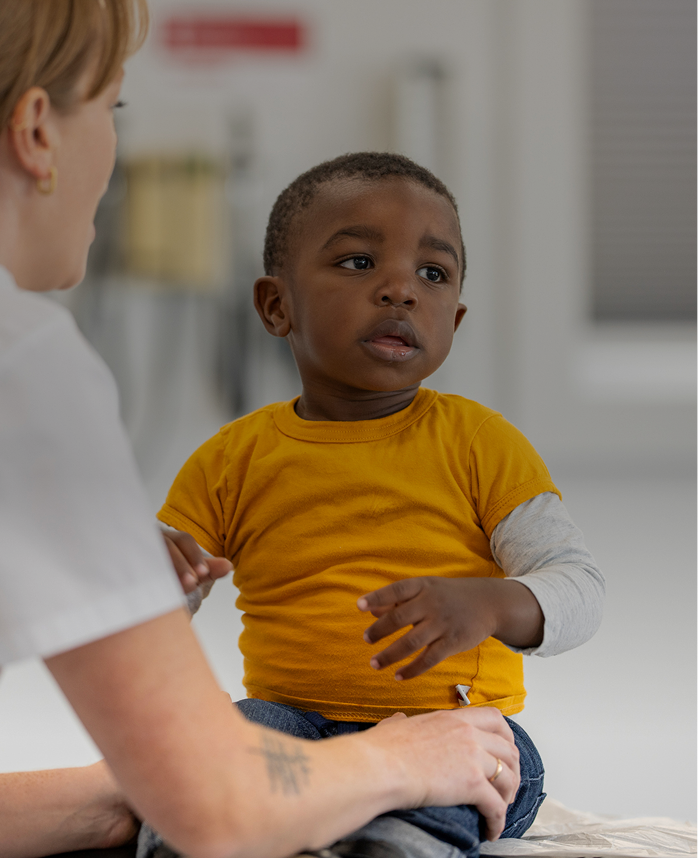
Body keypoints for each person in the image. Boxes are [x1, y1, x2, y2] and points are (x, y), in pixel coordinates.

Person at [0, 2, 526, 856]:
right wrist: (402, 756)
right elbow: (223, 811)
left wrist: (120, 790)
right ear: (38, 131)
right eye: (112, 109)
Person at [153, 153, 606, 858]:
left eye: (432, 274)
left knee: (472, 771)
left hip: (456, 728)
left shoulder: (482, 444)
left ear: (453, 318)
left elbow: (579, 588)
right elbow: (145, 609)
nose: (400, 289)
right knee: (218, 750)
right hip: (291, 724)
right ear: (277, 305)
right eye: (360, 262)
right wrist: (151, 576)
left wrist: (490, 604)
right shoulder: (231, 460)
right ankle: (188, 840)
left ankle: (397, 845)